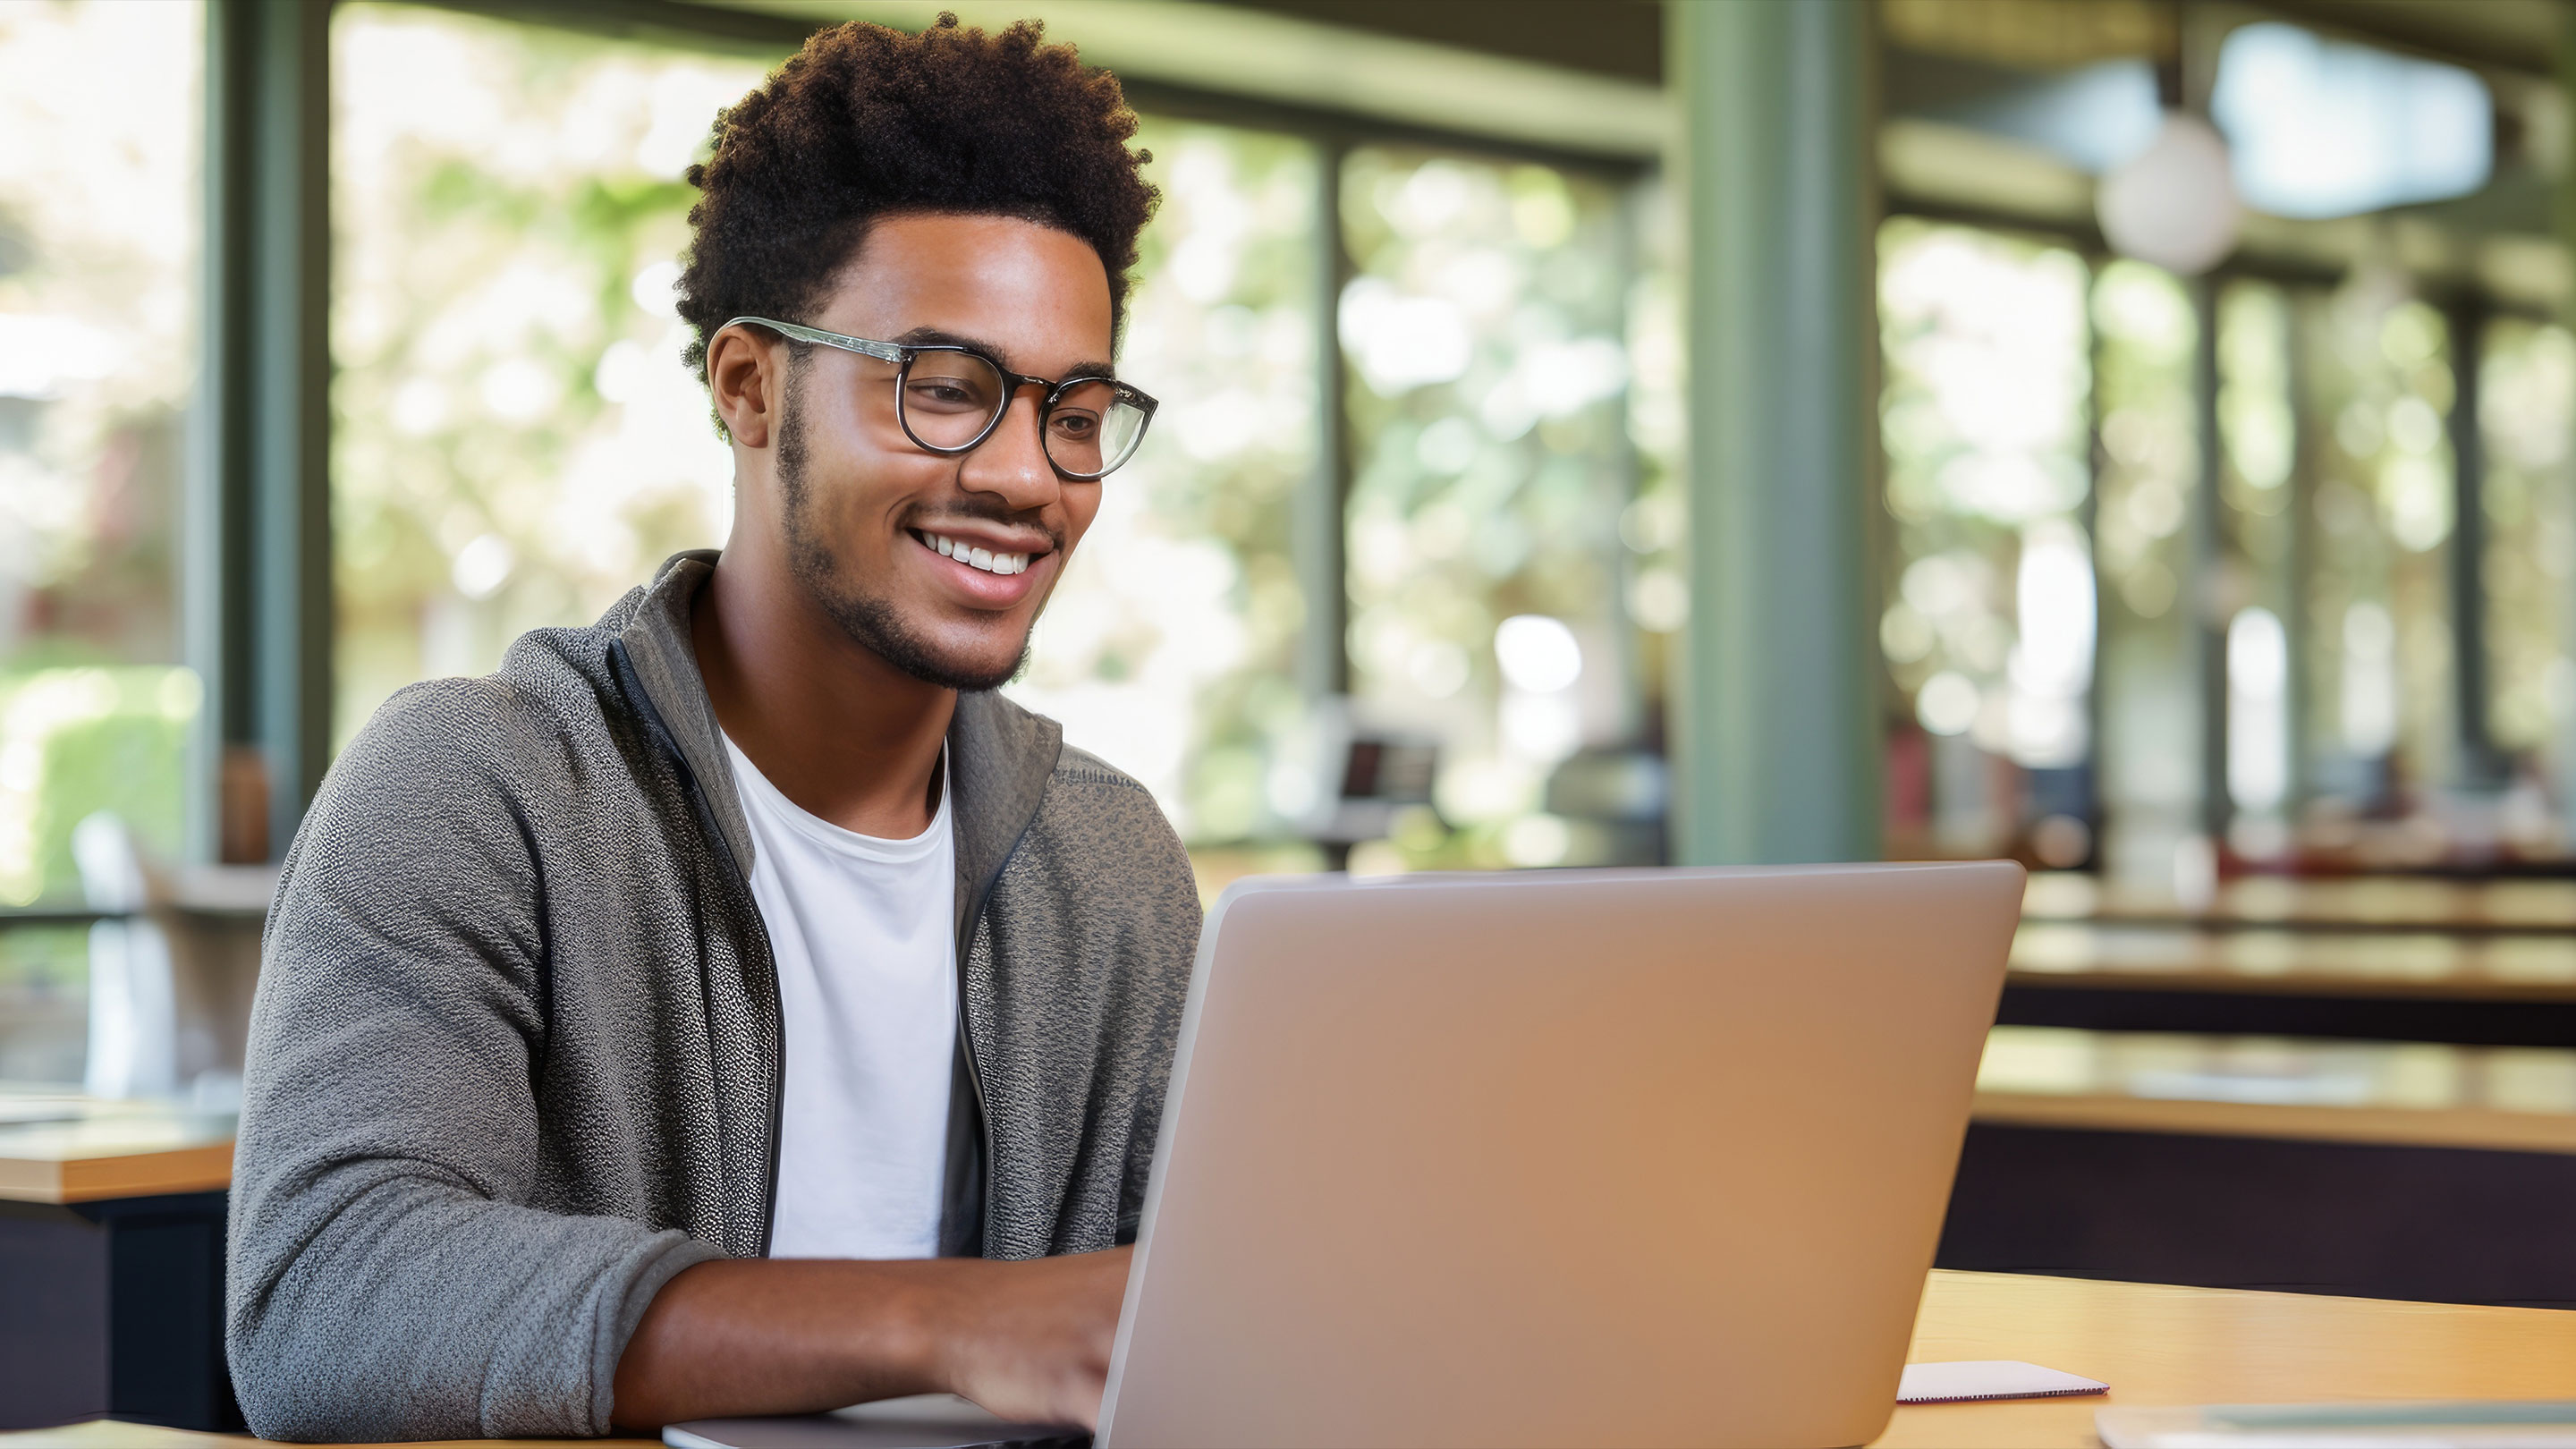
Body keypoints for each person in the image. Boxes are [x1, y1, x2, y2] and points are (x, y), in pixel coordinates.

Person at [226, 15, 1198, 1439]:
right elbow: (326, 1295)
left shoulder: (1106, 862)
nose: (1025, 475)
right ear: (749, 386)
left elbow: (1199, 1316)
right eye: (944, 388)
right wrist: (949, 1321)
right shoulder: (481, 786)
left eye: (1076, 409)